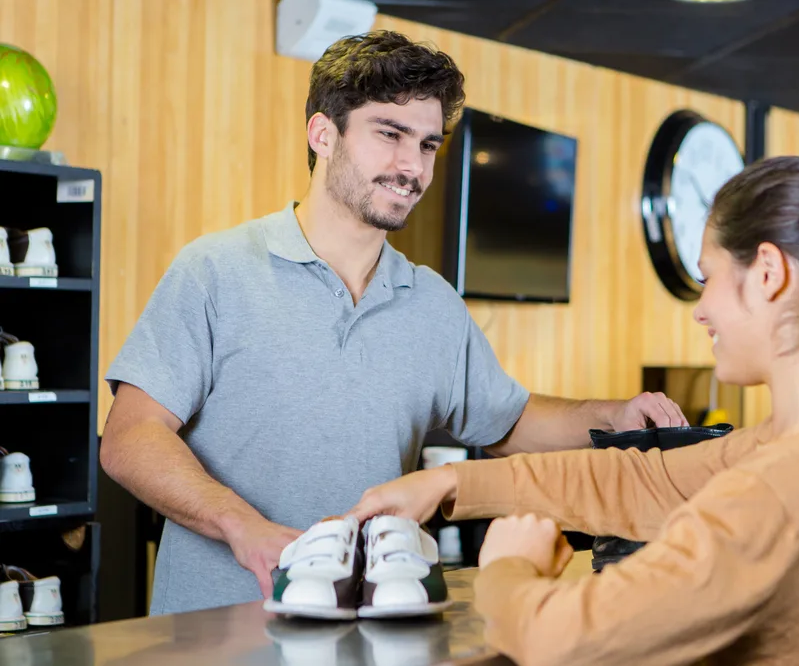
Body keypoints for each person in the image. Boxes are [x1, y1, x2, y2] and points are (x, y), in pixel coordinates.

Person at [99, 30, 687, 617]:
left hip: (371, 628)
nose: (413, 167)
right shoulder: (216, 270)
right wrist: (243, 527)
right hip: (212, 632)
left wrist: (612, 416)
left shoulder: (432, 302)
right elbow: (130, 438)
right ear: (323, 134)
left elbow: (508, 422)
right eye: (389, 134)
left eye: (428, 145)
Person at [349, 155, 799, 666]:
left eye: (707, 279)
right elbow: (646, 478)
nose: (701, 310)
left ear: (768, 274)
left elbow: (560, 640)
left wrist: (509, 567)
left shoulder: (781, 488)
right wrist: (455, 481)